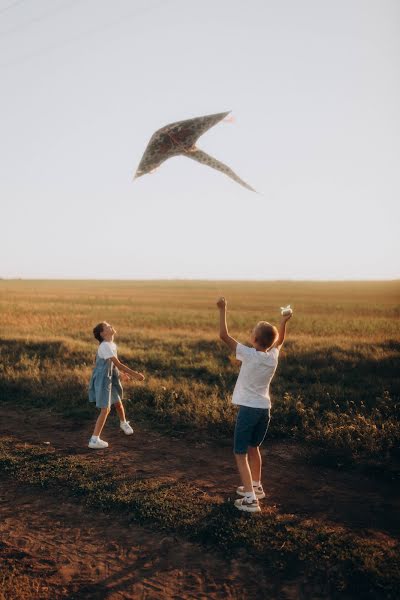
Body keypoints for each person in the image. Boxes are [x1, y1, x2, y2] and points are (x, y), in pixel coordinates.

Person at [216, 297, 292, 513]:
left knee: (240, 453)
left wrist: (223, 309)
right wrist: (284, 322)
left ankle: (250, 500)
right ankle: (256, 487)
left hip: (248, 410)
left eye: (252, 330)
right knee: (253, 448)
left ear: (255, 338)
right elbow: (280, 341)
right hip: (264, 409)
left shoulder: (248, 355)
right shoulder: (272, 357)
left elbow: (223, 335)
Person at [88, 322, 145, 449]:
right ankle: (94, 440)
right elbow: (118, 364)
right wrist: (136, 375)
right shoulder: (104, 346)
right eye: (107, 326)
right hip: (103, 379)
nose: (110, 326)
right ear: (103, 334)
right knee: (105, 409)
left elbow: (114, 366)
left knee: (118, 402)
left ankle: (123, 423)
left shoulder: (111, 344)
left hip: (110, 376)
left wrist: (120, 375)